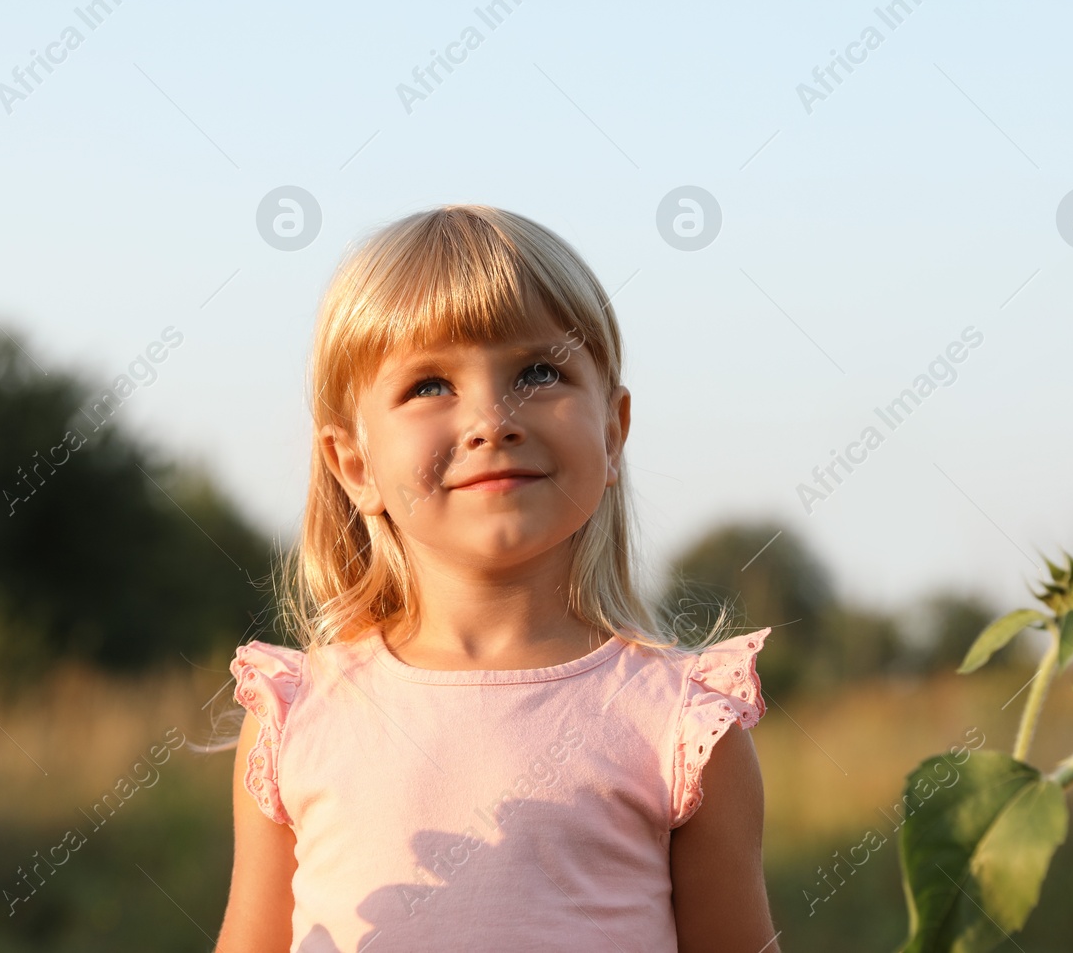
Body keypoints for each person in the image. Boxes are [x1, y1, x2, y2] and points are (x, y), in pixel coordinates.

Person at [212, 205, 780, 952]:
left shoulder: (683, 726)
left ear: (612, 433)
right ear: (354, 464)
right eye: (428, 386)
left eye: (539, 372)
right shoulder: (298, 716)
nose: (491, 418)